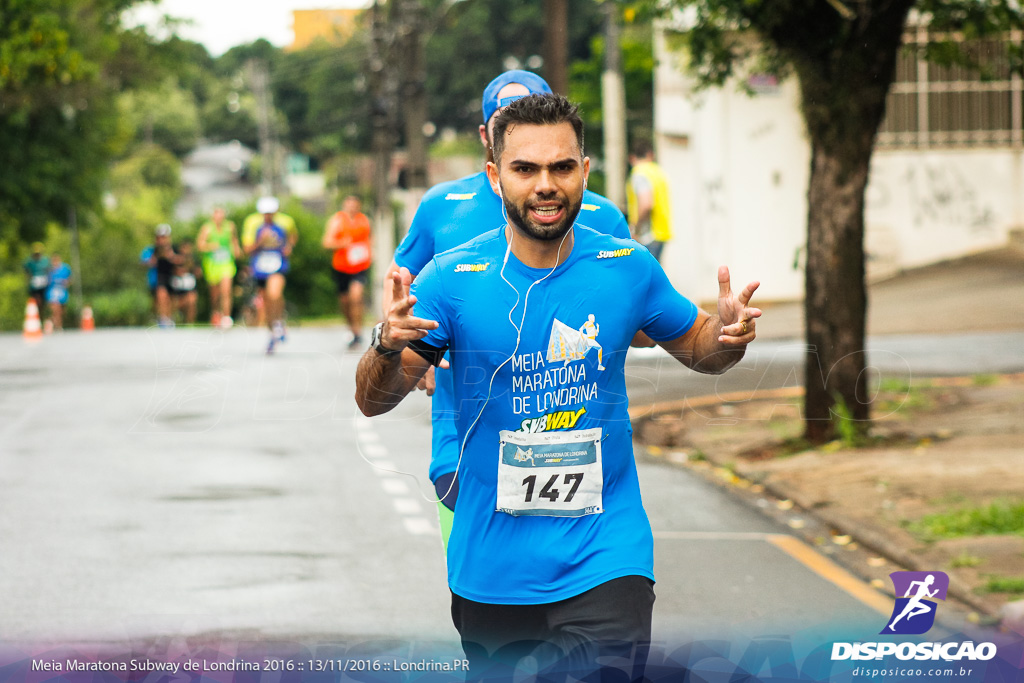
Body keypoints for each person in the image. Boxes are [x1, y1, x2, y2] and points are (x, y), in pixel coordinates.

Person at [356, 94, 761, 679]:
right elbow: (373, 401)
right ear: (496, 176)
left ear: (585, 172)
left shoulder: (626, 265)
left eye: (561, 168)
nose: (546, 185)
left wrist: (726, 338)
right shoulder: (452, 279)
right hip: (492, 569)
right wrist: (385, 345)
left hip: (607, 554)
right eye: (526, 169)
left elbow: (698, 346)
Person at [382, 70, 632, 551]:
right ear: (487, 136)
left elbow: (643, 316)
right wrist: (406, 346)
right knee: (484, 588)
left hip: (574, 442)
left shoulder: (599, 215)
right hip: (464, 433)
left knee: (579, 592)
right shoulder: (443, 206)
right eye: (507, 119)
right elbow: (400, 286)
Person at [242, 196, 297, 354]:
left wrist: (289, 246)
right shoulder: (252, 223)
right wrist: (260, 241)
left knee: (275, 293)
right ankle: (273, 332)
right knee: (265, 302)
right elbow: (247, 249)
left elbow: (293, 235)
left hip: (278, 264)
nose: (268, 216)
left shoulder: (286, 222)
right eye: (265, 213)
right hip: (260, 266)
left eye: (271, 212)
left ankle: (279, 322)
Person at [323, 195, 372, 349]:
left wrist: (371, 250)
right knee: (345, 301)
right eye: (349, 205)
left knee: (356, 297)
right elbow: (326, 242)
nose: (352, 208)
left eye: (355, 205)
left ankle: (358, 332)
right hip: (341, 267)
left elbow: (370, 238)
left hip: (360, 266)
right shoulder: (336, 221)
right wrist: (341, 243)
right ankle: (351, 328)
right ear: (344, 206)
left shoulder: (365, 220)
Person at [627, 138, 672, 262]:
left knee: (644, 277)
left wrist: (636, 228)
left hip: (647, 236)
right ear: (650, 155)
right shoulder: (658, 171)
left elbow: (646, 203)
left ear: (632, 158)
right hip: (661, 232)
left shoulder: (640, 173)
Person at [196, 207, 241, 328]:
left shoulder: (230, 226)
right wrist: (210, 246)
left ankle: (226, 317)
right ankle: (216, 312)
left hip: (226, 262)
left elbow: (234, 240)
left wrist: (237, 249)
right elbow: (200, 245)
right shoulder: (207, 228)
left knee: (226, 290)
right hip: (212, 264)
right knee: (215, 294)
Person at [143, 224, 180, 328]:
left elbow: (181, 261)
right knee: (161, 295)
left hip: (172, 277)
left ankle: (170, 317)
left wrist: (171, 256)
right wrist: (156, 257)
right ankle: (163, 319)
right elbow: (145, 262)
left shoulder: (174, 248)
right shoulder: (152, 250)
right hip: (159, 277)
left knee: (171, 299)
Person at [170, 238, 201, 325]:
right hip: (177, 288)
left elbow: (199, 273)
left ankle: (190, 323)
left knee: (192, 300)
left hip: (189, 287)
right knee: (176, 304)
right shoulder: (175, 258)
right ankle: (172, 320)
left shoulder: (194, 259)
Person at [45, 253, 71, 331]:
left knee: (62, 311)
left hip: (62, 292)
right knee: (56, 309)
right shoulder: (49, 270)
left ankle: (50, 322)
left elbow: (70, 279)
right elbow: (46, 281)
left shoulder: (65, 268)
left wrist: (67, 283)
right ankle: (58, 326)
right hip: (52, 292)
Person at [23, 242, 50, 315]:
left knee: (43, 301)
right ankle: (36, 314)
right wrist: (29, 279)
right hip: (34, 285)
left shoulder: (45, 260)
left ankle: (42, 314)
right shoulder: (30, 262)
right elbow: (26, 271)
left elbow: (48, 270)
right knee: (36, 300)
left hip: (43, 284)